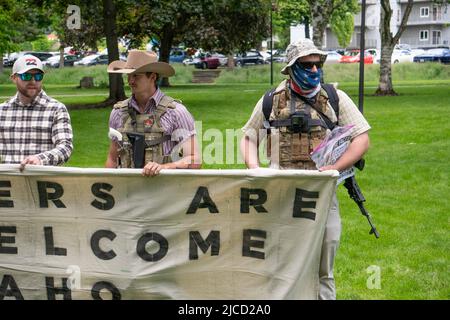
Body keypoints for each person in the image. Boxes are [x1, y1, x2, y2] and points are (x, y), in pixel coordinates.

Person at [240, 39, 371, 300]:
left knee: (324, 269)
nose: (314, 70)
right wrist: (255, 169)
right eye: (307, 65)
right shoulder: (270, 101)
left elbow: (362, 138)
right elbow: (248, 137)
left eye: (317, 64)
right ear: (291, 68)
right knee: (281, 265)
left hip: (321, 197)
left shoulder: (334, 97)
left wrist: (334, 168)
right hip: (280, 197)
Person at [105, 50, 201, 176]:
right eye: (128, 75)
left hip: (165, 192)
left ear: (153, 77)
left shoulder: (176, 112)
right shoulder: (118, 113)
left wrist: (165, 167)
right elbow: (112, 159)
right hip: (128, 191)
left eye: (136, 76)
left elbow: (195, 159)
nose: (130, 81)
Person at [0, 55, 73, 170]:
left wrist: (40, 159)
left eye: (38, 76)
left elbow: (65, 147)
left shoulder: (56, 109)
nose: (33, 81)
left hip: (42, 184)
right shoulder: (2, 111)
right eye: (26, 76)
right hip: (10, 184)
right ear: (14, 78)